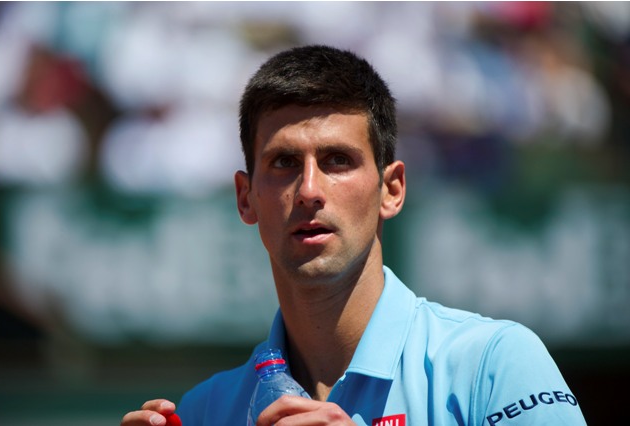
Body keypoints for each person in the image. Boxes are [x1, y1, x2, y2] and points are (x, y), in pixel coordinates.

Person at [121, 45, 586, 426]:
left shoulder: (494, 362)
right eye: (283, 162)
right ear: (246, 198)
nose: (308, 190)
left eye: (337, 160)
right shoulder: (204, 411)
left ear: (392, 189)